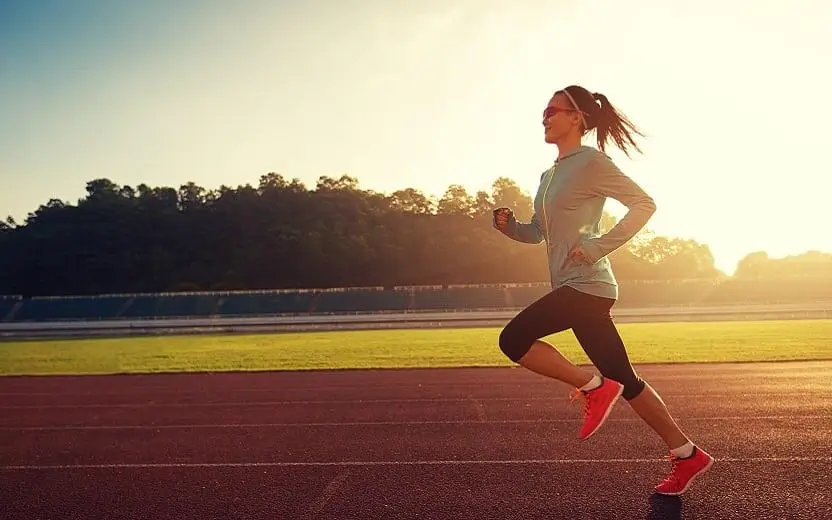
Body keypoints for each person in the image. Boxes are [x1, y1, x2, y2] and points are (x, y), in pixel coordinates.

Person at [492, 85, 713, 496]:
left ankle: (593, 387)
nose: (545, 117)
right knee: (626, 380)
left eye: (552, 110)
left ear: (577, 118)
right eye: (543, 111)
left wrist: (597, 245)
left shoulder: (592, 162)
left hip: (588, 285)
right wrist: (511, 229)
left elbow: (644, 204)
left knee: (513, 338)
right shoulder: (548, 176)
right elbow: (540, 233)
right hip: (575, 287)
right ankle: (687, 454)